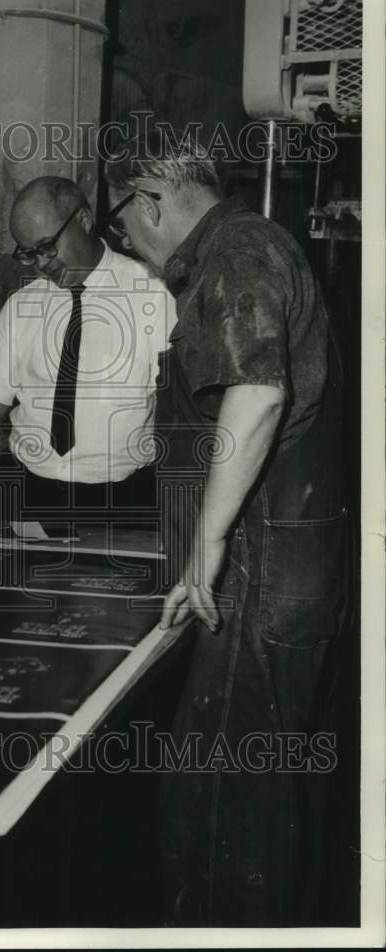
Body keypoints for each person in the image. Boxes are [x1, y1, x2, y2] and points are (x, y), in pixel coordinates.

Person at [104, 131, 349, 925]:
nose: (126, 243)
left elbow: (258, 393)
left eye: (119, 224)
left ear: (148, 201)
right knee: (254, 792)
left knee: (220, 799)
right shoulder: (246, 246)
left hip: (256, 570)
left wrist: (206, 549)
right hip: (273, 563)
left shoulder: (237, 252)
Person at [0, 176, 175, 521]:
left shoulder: (155, 294)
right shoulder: (23, 305)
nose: (42, 264)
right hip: (25, 486)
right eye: (29, 254)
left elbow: (182, 412)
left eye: (47, 247)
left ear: (83, 220)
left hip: (123, 496)